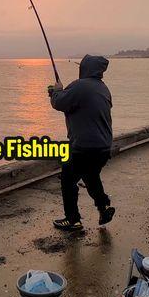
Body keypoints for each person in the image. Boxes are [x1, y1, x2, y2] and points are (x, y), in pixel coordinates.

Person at [48, 54, 115, 231]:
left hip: (84, 147)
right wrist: (58, 94)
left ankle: (72, 220)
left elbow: (59, 103)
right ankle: (104, 207)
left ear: (85, 68)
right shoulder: (103, 88)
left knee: (68, 180)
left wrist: (56, 91)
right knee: (91, 176)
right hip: (104, 147)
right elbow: (82, 107)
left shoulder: (80, 86)